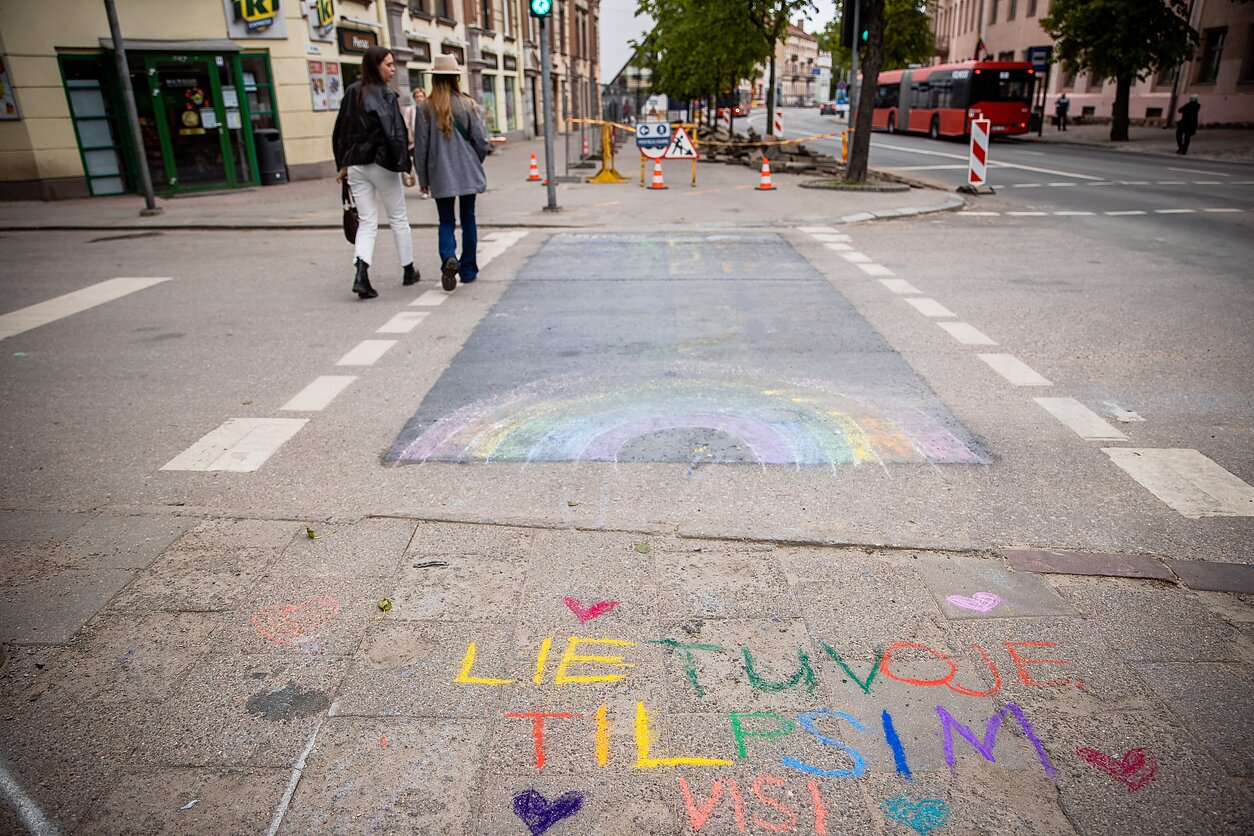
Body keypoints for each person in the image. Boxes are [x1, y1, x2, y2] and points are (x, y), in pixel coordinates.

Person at [332, 46, 417, 300]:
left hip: (356, 164)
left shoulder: (351, 92)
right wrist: (405, 167)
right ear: (375, 65)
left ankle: (361, 273)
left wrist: (343, 164)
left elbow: (340, 130)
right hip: (380, 162)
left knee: (367, 221)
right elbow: (395, 134)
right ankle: (408, 269)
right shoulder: (385, 95)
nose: (393, 69)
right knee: (398, 218)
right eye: (389, 65)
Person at [413, 54, 492, 291]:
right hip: (466, 171)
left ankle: (449, 257)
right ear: (456, 77)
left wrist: (423, 179)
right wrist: (476, 161)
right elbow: (480, 140)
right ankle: (468, 270)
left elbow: (421, 147)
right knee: (469, 219)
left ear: (434, 79)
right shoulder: (468, 104)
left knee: (446, 220)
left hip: (440, 173)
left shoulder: (424, 107)